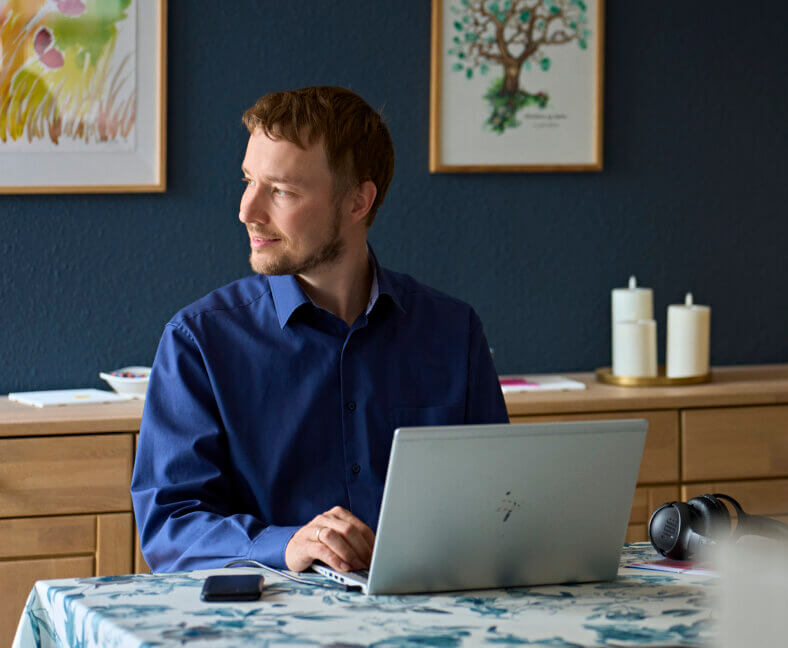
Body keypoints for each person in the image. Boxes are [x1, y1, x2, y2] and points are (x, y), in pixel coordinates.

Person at [130, 86, 508, 574]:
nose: (247, 211)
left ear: (357, 202)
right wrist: (284, 545)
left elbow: (501, 500)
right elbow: (171, 527)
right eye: (248, 180)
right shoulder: (198, 340)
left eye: (281, 190)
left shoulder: (454, 331)